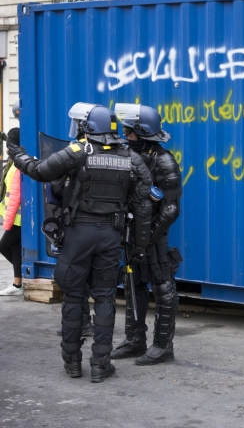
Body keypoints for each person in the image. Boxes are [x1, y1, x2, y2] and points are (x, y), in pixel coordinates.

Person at [8, 103, 152, 382]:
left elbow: (39, 172)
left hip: (79, 235)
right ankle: (101, 364)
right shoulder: (130, 157)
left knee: (74, 295)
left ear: (87, 127)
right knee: (105, 297)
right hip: (112, 235)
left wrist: (19, 157)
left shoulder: (77, 151)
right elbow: (143, 203)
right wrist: (140, 244)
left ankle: (72, 363)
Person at [111, 103, 182, 365]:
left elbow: (171, 209)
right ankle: (134, 340)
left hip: (153, 235)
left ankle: (163, 346)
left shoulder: (164, 160)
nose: (125, 136)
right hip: (131, 233)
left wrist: (147, 236)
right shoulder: (126, 155)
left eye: (129, 132)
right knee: (132, 285)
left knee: (163, 286)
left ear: (142, 133)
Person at [0, 128, 23, 296]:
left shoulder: (17, 167)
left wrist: (7, 223)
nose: (7, 149)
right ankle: (17, 284)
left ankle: (22, 277)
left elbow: (14, 198)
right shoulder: (14, 163)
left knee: (3, 246)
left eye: (9, 146)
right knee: (14, 248)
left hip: (18, 219)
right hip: (15, 217)